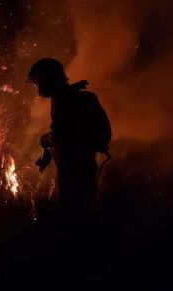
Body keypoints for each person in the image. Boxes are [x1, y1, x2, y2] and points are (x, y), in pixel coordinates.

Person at [28, 57, 111, 247]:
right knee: (79, 214)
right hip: (80, 166)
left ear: (49, 79)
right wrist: (47, 155)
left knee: (74, 220)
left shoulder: (66, 101)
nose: (37, 87)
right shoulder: (66, 97)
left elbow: (62, 137)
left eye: (38, 82)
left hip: (76, 169)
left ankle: (76, 261)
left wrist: (44, 140)